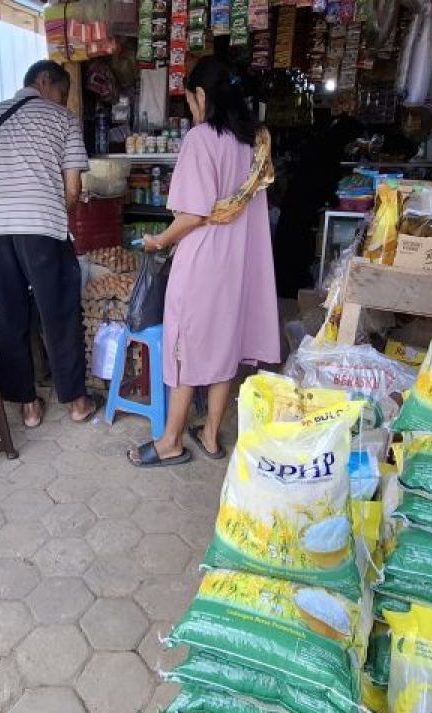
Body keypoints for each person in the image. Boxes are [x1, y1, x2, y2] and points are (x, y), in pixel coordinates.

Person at [129, 57, 280, 467]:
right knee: (223, 345)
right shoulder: (252, 145)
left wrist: (158, 239)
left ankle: (171, 442)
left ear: (201, 96)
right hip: (237, 262)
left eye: (190, 100)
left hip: (202, 261)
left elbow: (193, 215)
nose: (190, 110)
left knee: (186, 348)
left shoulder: (200, 139)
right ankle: (211, 436)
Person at [0, 60, 98, 429]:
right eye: (62, 93)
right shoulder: (63, 120)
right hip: (41, 226)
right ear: (44, 81)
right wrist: (54, 210)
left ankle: (27, 407)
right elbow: (73, 190)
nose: (63, 101)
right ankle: (75, 402)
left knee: (7, 317)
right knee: (59, 312)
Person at [272, 115, 361, 297]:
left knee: (293, 243)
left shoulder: (324, 143)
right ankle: (290, 286)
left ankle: (289, 284)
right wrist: (334, 198)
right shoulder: (329, 149)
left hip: (299, 201)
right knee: (296, 244)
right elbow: (323, 179)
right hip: (303, 203)